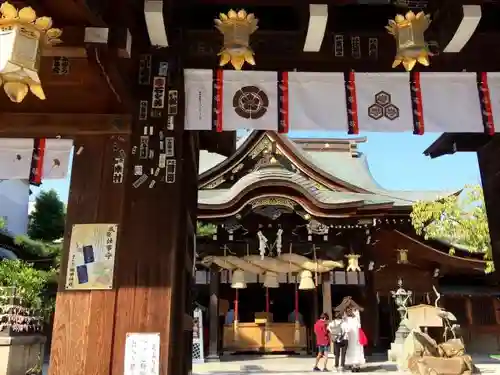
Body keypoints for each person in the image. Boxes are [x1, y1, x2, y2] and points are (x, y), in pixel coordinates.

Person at [344, 307, 366, 372]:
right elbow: (359, 325)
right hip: (354, 337)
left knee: (352, 349)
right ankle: (355, 366)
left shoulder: (347, 320)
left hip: (352, 338)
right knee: (356, 350)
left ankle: (354, 366)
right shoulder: (356, 319)